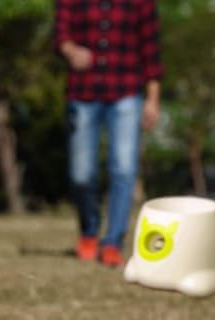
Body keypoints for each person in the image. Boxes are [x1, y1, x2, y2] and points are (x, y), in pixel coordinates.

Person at [55, 0, 163, 267]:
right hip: (83, 92)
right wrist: (70, 50)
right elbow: (60, 35)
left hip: (126, 92)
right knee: (81, 173)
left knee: (124, 169)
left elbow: (151, 49)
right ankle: (89, 231)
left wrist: (153, 99)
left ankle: (113, 241)